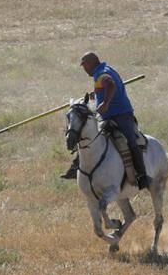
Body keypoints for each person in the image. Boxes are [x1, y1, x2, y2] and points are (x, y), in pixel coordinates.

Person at [61, 52, 151, 189]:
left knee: (131, 142)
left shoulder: (101, 73)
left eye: (84, 66)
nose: (84, 70)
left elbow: (110, 84)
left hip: (121, 114)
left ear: (91, 63)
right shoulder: (104, 70)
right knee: (90, 138)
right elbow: (106, 86)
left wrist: (106, 103)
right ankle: (77, 167)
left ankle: (142, 176)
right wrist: (97, 95)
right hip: (107, 116)